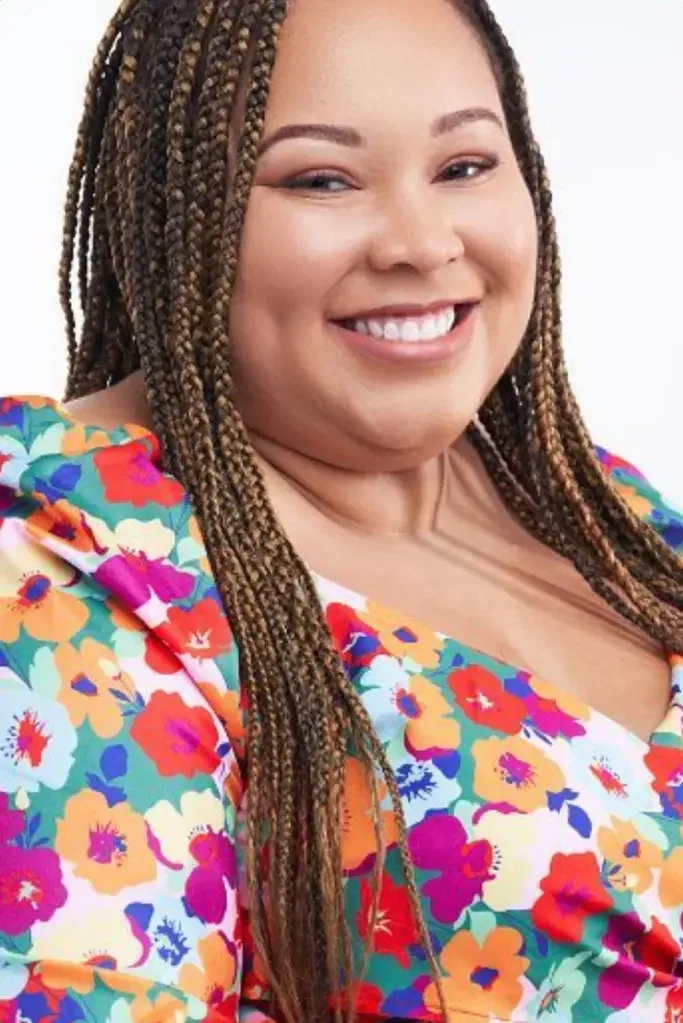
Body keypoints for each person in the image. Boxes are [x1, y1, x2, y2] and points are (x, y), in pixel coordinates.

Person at [1, 0, 682, 1019]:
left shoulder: (597, 509)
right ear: (170, 210)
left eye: (462, 166)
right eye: (321, 178)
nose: (420, 241)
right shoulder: (72, 581)